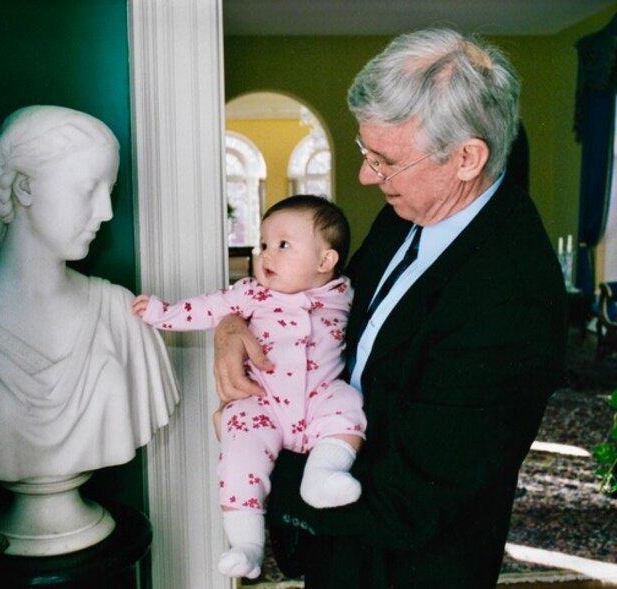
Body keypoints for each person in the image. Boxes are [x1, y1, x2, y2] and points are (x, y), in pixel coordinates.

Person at [213, 29, 567, 589]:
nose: (365, 177)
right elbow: (330, 299)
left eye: (386, 160)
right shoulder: (409, 208)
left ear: (467, 158)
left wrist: (249, 449)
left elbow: (410, 503)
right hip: (340, 546)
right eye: (366, 152)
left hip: (407, 567)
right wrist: (236, 322)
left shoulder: (510, 300)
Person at [0, 105, 179, 483]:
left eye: (109, 191)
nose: (107, 212)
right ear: (24, 187)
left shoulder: (122, 312)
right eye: (88, 189)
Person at [132, 195, 367, 579]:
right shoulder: (251, 294)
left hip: (320, 395)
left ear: (326, 262)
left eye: (283, 245)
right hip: (264, 401)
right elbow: (207, 307)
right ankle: (246, 545)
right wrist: (161, 313)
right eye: (263, 245)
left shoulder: (344, 293)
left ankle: (323, 475)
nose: (265, 255)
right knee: (239, 453)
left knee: (348, 406)